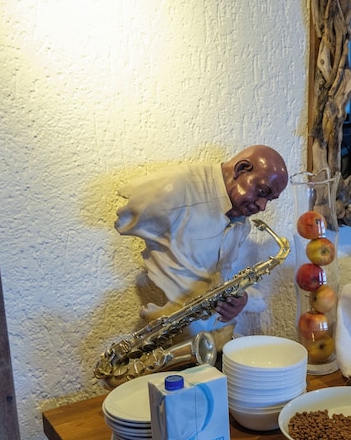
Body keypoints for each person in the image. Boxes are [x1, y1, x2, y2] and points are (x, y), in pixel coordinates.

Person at [115, 144, 289, 338]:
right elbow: (129, 216)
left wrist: (239, 300)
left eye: (269, 199)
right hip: (174, 337)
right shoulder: (175, 189)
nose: (262, 206)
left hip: (216, 336)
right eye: (262, 192)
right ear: (241, 169)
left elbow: (220, 279)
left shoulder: (242, 223)